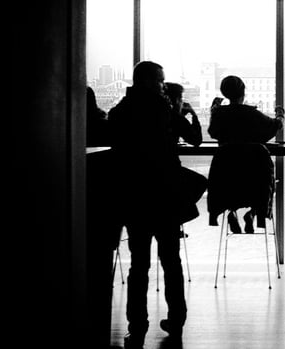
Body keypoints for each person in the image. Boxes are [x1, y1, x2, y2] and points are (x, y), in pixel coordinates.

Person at [108, 61, 201, 346]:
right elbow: (195, 140)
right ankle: (176, 319)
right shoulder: (164, 110)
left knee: (139, 264)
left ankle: (137, 324)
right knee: (171, 261)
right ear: (150, 82)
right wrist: (188, 113)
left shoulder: (120, 112)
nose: (163, 85)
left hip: (135, 194)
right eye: (160, 81)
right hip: (165, 193)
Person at [206, 75, 285, 234]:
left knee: (232, 184)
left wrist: (213, 111)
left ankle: (231, 211)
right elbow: (275, 126)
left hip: (229, 172)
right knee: (260, 184)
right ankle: (253, 213)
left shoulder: (220, 114)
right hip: (254, 172)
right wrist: (280, 113)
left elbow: (213, 132)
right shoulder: (252, 114)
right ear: (243, 93)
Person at [163, 82, 203, 147]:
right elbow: (196, 140)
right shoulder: (177, 119)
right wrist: (194, 115)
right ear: (177, 100)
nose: (183, 102)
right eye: (181, 99)